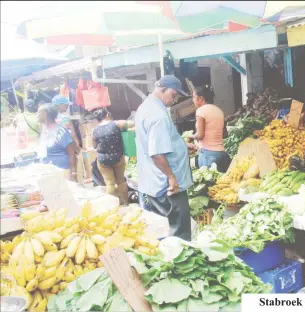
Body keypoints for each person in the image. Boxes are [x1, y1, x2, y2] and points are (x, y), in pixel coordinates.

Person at [135, 75, 194, 241]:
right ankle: (181, 265)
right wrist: (171, 177)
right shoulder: (158, 116)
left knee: (161, 230)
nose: (174, 100)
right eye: (173, 95)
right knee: (179, 233)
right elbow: (157, 153)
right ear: (162, 90)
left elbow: (156, 141)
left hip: (152, 182)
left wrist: (180, 146)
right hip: (167, 187)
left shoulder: (145, 107)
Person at [91, 108, 134, 206]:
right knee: (121, 181)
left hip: (103, 160)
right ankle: (126, 203)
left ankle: (111, 206)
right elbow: (131, 123)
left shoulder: (94, 130)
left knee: (109, 183)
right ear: (107, 115)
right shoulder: (116, 124)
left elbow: (94, 146)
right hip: (118, 158)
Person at [188, 85, 230, 172]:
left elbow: (200, 135)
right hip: (221, 152)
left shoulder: (201, 111)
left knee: (208, 183)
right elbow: (225, 134)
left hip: (208, 154)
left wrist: (190, 136)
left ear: (201, 98)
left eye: (194, 97)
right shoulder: (219, 111)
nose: (193, 100)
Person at [37, 104, 77, 180]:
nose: (37, 115)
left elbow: (71, 153)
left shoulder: (61, 131)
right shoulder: (44, 130)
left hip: (61, 173)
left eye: (38, 112)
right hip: (47, 172)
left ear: (45, 114)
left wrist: (73, 175)